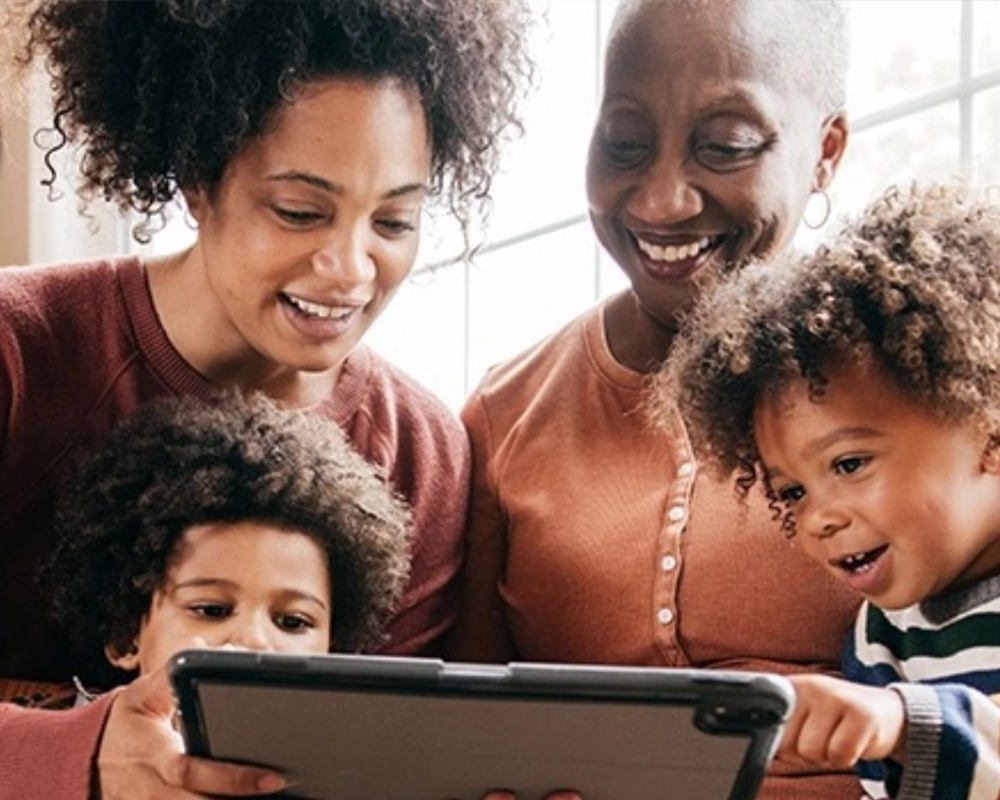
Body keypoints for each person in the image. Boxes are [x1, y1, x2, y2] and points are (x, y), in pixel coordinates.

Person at [0, 0, 530, 797]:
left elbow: (381, 754)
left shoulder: (416, 449)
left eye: (394, 220)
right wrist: (74, 753)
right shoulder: (18, 351)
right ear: (195, 179)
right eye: (299, 212)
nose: (351, 269)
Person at [447, 1, 860, 798]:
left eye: (726, 147)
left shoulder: (919, 397)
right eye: (626, 143)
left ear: (826, 153)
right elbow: (469, 744)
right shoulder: (506, 414)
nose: (663, 199)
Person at [658, 181, 1000, 800]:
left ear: (990, 434)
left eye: (848, 465)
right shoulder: (881, 635)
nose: (816, 519)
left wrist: (904, 723)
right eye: (791, 493)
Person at [34, 391, 411, 703]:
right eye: (212, 610)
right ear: (125, 635)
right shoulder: (59, 749)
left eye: (293, 622)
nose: (254, 639)